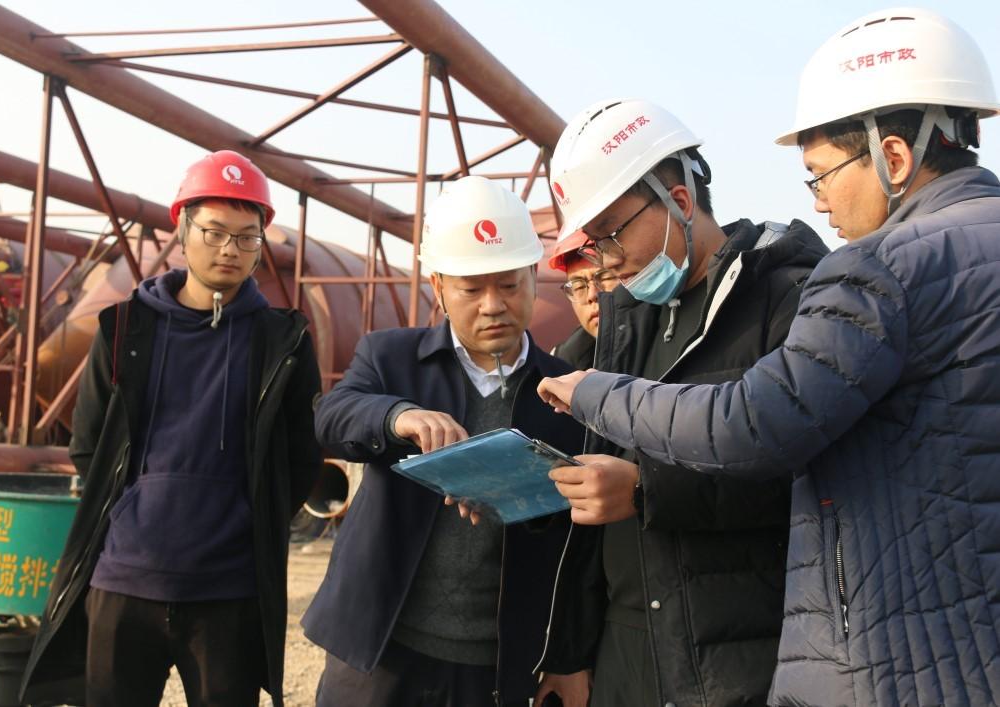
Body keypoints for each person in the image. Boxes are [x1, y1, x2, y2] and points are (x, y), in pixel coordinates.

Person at [537, 9, 1000, 707]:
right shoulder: (621, 324)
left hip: (891, 655)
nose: (819, 200)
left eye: (819, 174)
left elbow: (757, 427)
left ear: (894, 158)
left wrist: (626, 447)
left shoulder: (851, 277)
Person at [533, 99, 829, 707]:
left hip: (738, 660)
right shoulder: (622, 323)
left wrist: (648, 490)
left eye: (612, 233)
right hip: (626, 657)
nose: (606, 259)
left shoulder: (787, 300)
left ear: (680, 202)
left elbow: (810, 478)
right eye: (593, 242)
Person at [21, 150, 323, 706]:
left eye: (247, 237)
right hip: (123, 580)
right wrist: (133, 515)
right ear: (182, 228)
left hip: (229, 591)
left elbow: (302, 456)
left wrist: (246, 523)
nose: (230, 249)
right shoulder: (125, 328)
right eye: (214, 232)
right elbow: (89, 446)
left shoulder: (283, 341)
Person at [303, 175, 589, 707]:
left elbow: (579, 548)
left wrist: (568, 657)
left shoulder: (568, 396)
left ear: (534, 277)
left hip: (492, 660)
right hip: (381, 648)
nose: (493, 305)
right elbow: (332, 418)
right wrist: (397, 417)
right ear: (438, 287)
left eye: (509, 285)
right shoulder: (390, 358)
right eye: (471, 289)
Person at [548, 231, 620, 369]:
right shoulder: (563, 365)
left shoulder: (664, 341)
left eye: (605, 277)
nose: (592, 295)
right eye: (579, 286)